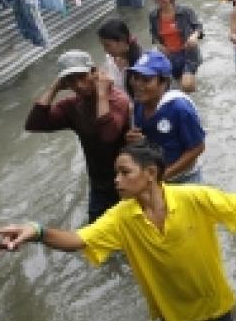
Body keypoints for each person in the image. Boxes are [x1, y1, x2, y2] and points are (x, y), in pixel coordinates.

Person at [0, 140, 236, 321]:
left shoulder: (193, 197)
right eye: (115, 173)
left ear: (151, 174)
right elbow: (77, 240)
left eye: (124, 172)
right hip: (171, 314)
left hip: (215, 303)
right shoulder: (121, 217)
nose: (116, 180)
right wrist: (37, 231)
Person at [25, 50, 129, 222]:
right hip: (99, 183)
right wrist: (55, 88)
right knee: (94, 238)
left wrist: (102, 95)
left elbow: (108, 135)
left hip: (127, 178)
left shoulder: (117, 99)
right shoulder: (72, 106)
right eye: (71, 81)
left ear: (94, 73)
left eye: (82, 77)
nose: (78, 85)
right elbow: (35, 123)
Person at [126, 50, 205, 184]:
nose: (138, 85)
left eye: (146, 80)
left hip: (184, 179)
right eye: (135, 78)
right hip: (155, 179)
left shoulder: (180, 108)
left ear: (164, 82)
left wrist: (165, 174)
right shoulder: (138, 105)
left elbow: (197, 147)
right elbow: (148, 142)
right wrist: (135, 141)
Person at [149, 0, 203, 93]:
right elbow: (154, 35)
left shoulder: (186, 11)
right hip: (169, 57)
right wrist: (159, 46)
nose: (159, 0)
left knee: (186, 85)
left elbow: (199, 27)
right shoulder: (153, 16)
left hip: (188, 54)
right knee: (173, 88)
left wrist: (194, 36)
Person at [97, 18, 142, 97]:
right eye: (103, 45)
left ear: (122, 41)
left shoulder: (139, 64)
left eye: (107, 45)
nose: (105, 50)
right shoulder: (110, 59)